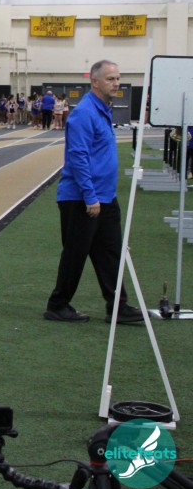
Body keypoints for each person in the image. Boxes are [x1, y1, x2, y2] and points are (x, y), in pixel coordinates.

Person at [44, 60, 143, 324]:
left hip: (105, 197)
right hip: (82, 198)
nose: (116, 83)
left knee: (110, 253)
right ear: (95, 82)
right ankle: (57, 305)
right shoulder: (85, 113)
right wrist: (90, 195)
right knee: (75, 254)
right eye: (111, 79)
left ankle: (118, 306)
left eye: (118, 78)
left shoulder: (102, 110)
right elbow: (78, 157)